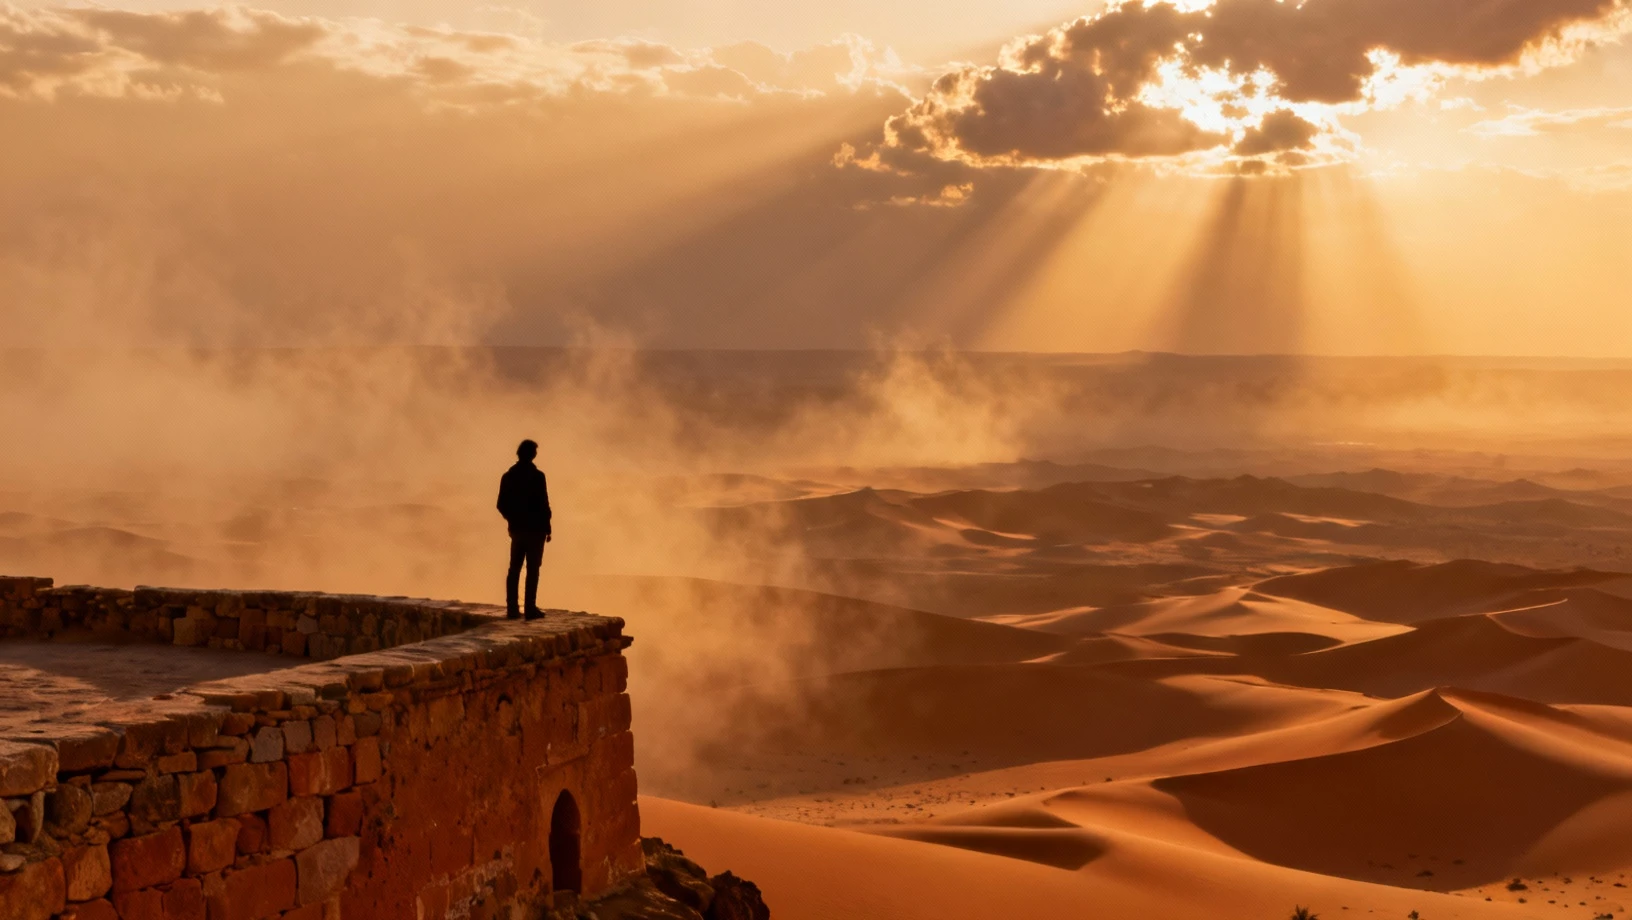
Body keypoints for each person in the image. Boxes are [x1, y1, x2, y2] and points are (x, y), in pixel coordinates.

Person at [497, 439, 552, 620]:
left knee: (514, 569)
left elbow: (501, 505)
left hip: (518, 530)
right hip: (535, 530)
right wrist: (547, 527)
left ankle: (512, 608)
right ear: (531, 455)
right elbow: (544, 504)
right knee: (532, 569)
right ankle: (530, 608)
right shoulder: (537, 477)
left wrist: (512, 520)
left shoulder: (509, 476)